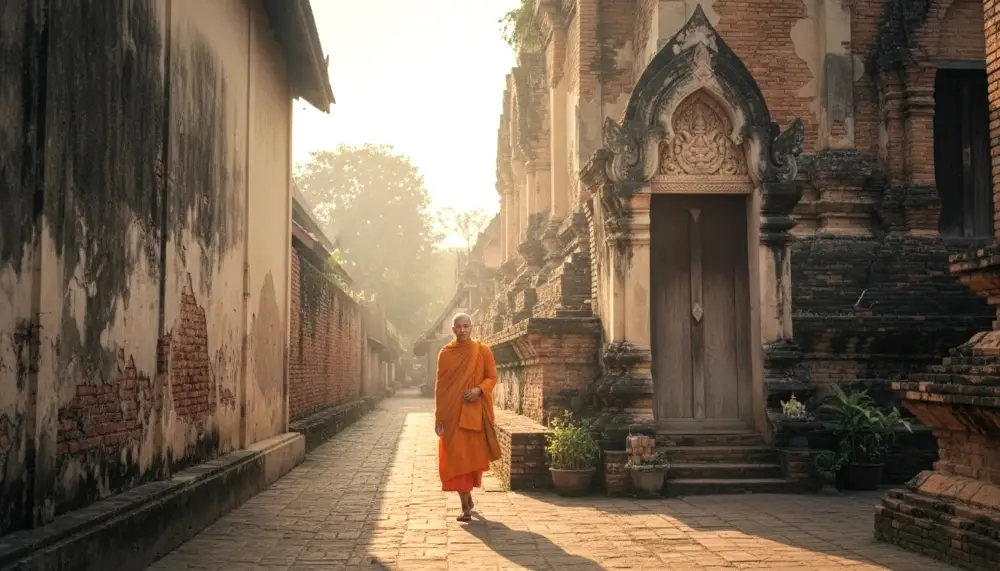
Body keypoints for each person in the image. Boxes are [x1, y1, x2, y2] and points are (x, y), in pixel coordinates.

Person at [434, 313, 501, 522]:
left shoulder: (482, 350)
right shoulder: (445, 353)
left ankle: (466, 502)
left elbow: (492, 377)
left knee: (469, 458)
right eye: (458, 327)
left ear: (472, 327)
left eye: (466, 326)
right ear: (452, 330)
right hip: (451, 415)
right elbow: (441, 387)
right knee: (455, 458)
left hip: (473, 413)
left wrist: (479, 390)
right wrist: (439, 418)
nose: (462, 330)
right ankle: (465, 504)